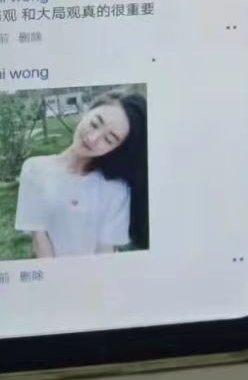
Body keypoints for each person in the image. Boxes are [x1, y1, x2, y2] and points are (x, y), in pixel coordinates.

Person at [14, 92, 148, 257]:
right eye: (94, 123)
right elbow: (39, 238)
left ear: (117, 149)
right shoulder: (34, 169)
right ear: (86, 113)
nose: (92, 138)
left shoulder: (116, 188)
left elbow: (105, 252)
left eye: (109, 139)